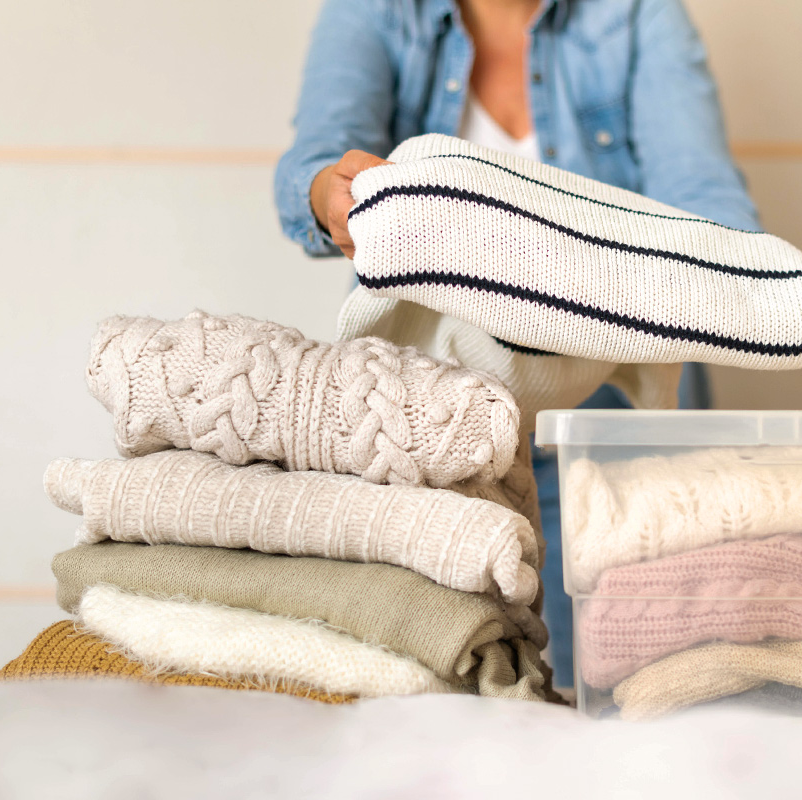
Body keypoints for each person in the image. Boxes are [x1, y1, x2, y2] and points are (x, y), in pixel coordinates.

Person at [274, 0, 761, 690]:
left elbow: (707, 201)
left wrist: (743, 277)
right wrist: (330, 192)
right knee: (440, 693)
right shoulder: (378, 13)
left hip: (612, 425)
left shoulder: (634, 16)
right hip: (430, 433)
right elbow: (314, 165)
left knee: (643, 687)